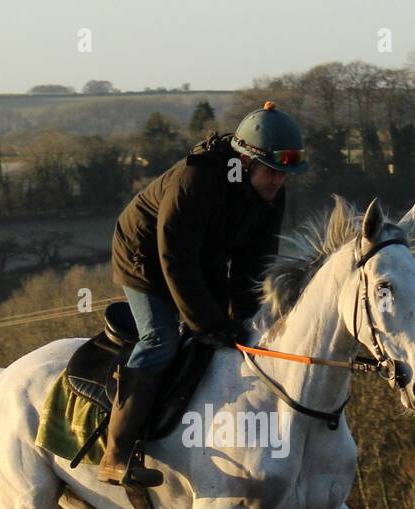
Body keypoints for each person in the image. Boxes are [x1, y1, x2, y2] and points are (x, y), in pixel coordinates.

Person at [99, 101, 309, 486]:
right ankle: (117, 451)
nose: (278, 182)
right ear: (244, 163)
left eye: (284, 174)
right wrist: (209, 322)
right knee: (161, 339)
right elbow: (175, 262)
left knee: (234, 332)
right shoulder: (195, 181)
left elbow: (255, 263)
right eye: (271, 172)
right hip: (144, 256)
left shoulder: (268, 192)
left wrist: (246, 318)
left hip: (200, 257)